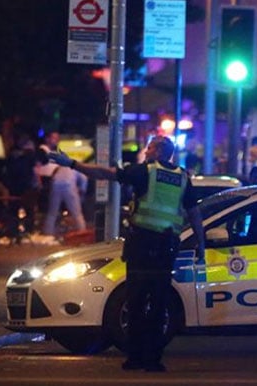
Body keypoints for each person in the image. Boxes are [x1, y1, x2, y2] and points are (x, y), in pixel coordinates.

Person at [48, 136, 206, 372]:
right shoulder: (183, 177)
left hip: (142, 246)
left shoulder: (146, 171)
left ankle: (135, 357)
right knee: (158, 302)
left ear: (161, 151)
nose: (146, 150)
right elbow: (194, 214)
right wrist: (201, 245)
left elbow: (105, 174)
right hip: (165, 249)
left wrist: (72, 164)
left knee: (136, 302)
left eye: (150, 146)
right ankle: (153, 359)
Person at [36, 132, 88, 238]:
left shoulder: (61, 164)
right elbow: (84, 178)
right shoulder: (76, 164)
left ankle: (48, 233)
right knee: (76, 212)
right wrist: (82, 190)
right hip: (69, 186)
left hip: (55, 185)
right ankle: (82, 232)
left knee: (52, 212)